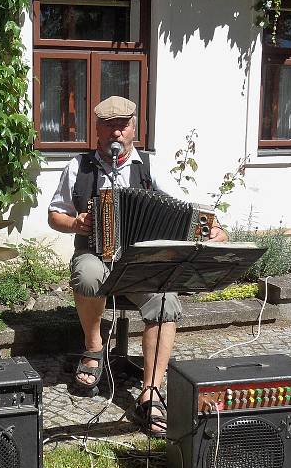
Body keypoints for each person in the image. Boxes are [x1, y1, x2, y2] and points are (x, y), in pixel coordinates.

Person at [47, 96, 227, 436]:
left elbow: (187, 208)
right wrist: (76, 224)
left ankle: (151, 391)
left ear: (134, 129)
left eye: (123, 125)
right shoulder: (78, 166)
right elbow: (55, 214)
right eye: (109, 125)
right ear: (97, 130)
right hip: (95, 255)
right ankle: (94, 347)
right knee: (86, 276)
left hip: (141, 262)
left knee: (166, 301)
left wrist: (214, 227)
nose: (117, 131)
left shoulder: (150, 167)